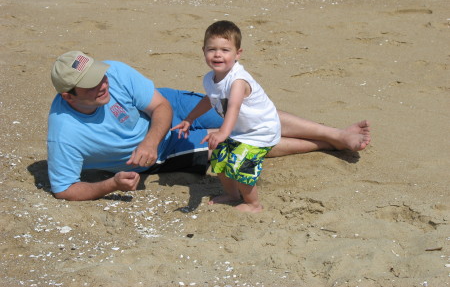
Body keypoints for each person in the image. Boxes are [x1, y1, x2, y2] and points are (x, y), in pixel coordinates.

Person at [47, 51, 370, 202]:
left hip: (167, 109)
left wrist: (148, 137)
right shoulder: (66, 133)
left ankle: (334, 133)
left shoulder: (114, 71)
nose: (103, 84)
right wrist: (111, 184)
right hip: (165, 148)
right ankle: (326, 145)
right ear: (68, 95)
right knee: (237, 143)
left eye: (100, 76)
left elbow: (160, 105)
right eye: (91, 85)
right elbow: (64, 189)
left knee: (236, 109)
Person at [171, 20, 280, 212]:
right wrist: (189, 118)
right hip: (240, 130)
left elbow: (234, 107)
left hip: (260, 131)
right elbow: (209, 99)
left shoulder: (238, 80)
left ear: (238, 53)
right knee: (219, 158)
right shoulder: (210, 78)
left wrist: (222, 132)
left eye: (225, 50)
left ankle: (254, 204)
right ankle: (232, 194)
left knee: (240, 165)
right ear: (203, 50)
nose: (218, 54)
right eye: (212, 49)